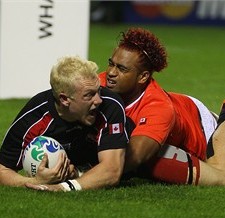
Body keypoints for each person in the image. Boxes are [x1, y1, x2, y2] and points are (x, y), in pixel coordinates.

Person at [99, 27, 225, 186]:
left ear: (143, 77)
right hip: (182, 106)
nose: (111, 72)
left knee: (220, 177)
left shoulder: (158, 107)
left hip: (205, 130)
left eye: (122, 68)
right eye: (111, 64)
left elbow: (135, 156)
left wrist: (85, 172)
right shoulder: (102, 82)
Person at [0, 56, 132, 191]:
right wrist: (35, 181)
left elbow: (112, 171)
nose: (98, 100)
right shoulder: (33, 118)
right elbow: (3, 169)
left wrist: (63, 187)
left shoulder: (110, 105)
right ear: (64, 99)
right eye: (89, 95)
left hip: (123, 160)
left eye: (98, 91)